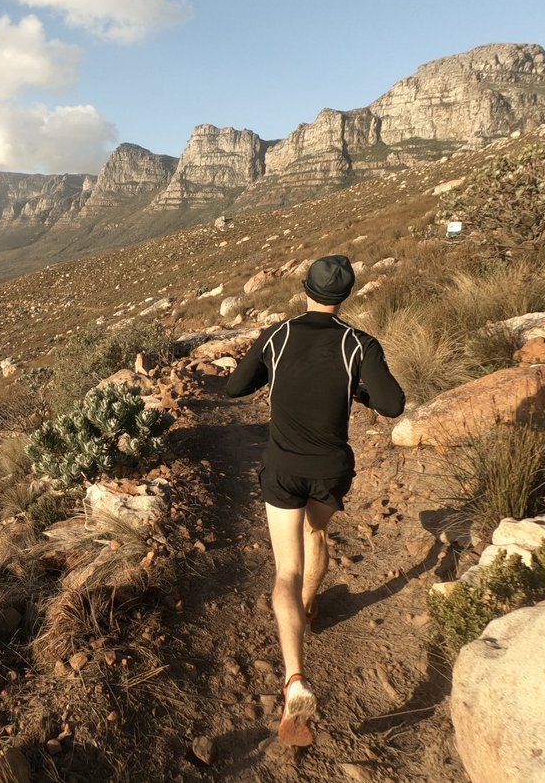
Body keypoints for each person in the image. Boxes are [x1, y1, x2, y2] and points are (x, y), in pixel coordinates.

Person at [225, 254, 405, 746]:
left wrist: (267, 374)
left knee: (284, 569)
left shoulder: (277, 336)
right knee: (317, 532)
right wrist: (359, 392)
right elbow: (393, 405)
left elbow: (234, 386)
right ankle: (310, 605)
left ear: (304, 287)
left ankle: (295, 678)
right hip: (330, 470)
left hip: (283, 469)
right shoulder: (359, 343)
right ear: (344, 295)